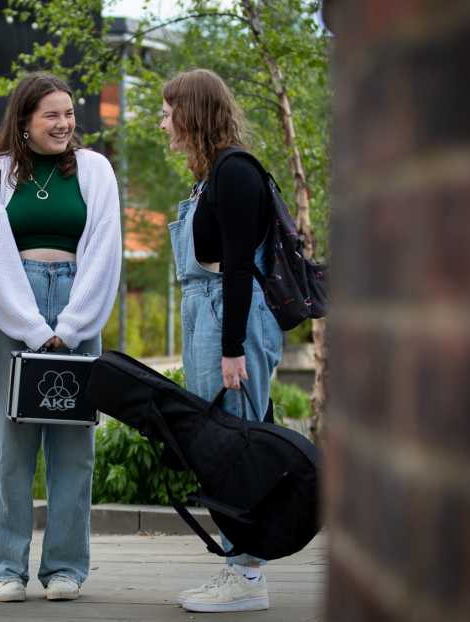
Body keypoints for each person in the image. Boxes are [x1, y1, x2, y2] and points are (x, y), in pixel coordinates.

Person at [0, 72, 122, 603]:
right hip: (14, 306)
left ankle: (65, 568)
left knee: (75, 448)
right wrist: (30, 326)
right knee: (14, 447)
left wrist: (74, 327)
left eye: (69, 113)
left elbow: (105, 248)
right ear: (25, 121)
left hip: (78, 300)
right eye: (51, 115)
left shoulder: (95, 170)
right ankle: (7, 567)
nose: (64, 124)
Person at [160, 69, 284, 613]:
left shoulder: (234, 171)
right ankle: (237, 565)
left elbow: (237, 267)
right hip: (206, 313)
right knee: (218, 443)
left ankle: (248, 577)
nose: (163, 122)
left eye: (168, 111)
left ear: (192, 113)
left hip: (227, 318)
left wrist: (232, 347)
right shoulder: (213, 174)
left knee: (235, 443)